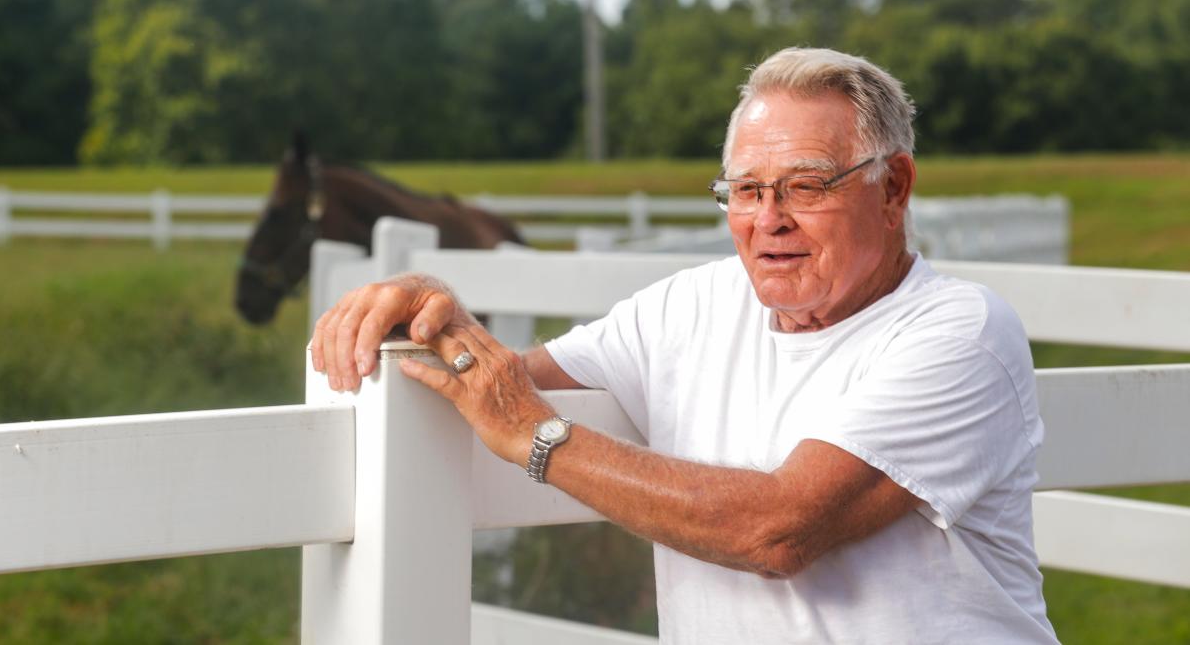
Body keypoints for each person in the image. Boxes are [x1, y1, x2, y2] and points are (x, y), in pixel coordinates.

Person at [310, 47, 1058, 644]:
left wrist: (540, 438)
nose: (769, 219)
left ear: (893, 189)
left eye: (805, 187)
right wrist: (422, 311)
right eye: (745, 190)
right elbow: (496, 382)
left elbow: (780, 529)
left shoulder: (961, 333)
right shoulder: (691, 305)